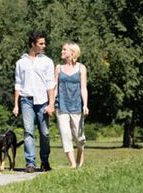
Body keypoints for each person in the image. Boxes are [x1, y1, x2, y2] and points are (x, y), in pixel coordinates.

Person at [12, 31, 55, 173]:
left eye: (44, 43)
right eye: (41, 43)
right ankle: (30, 163)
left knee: (45, 133)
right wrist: (16, 105)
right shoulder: (21, 63)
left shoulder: (47, 62)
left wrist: (51, 104)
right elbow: (18, 84)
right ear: (33, 44)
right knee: (28, 132)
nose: (44, 46)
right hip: (26, 101)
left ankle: (44, 161)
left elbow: (50, 84)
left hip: (43, 101)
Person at [54, 41, 89, 169]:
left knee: (80, 137)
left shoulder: (81, 68)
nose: (62, 52)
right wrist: (52, 104)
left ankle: (80, 151)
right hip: (61, 106)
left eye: (64, 50)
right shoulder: (58, 68)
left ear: (72, 52)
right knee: (65, 134)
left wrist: (85, 105)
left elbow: (83, 88)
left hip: (76, 106)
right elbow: (55, 88)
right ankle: (72, 163)